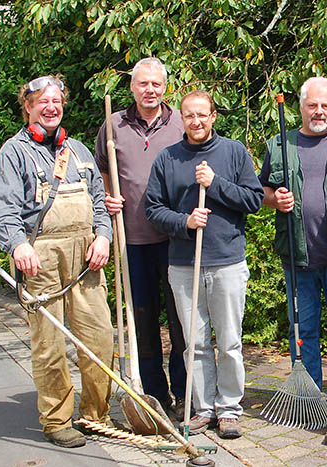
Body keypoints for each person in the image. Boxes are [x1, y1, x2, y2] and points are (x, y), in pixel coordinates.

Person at [0, 75, 113, 448]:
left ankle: (95, 415)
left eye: (56, 101)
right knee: (50, 345)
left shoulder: (79, 151)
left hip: (86, 257)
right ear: (27, 106)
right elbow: (3, 211)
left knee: (99, 338)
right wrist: (16, 246)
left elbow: (100, 200)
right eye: (42, 101)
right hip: (39, 257)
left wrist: (104, 236)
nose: (51, 107)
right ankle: (57, 419)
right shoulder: (13, 153)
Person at [258, 76, 327, 444]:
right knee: (302, 333)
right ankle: (309, 400)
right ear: (300, 107)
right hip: (298, 257)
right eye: (312, 105)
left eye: (325, 105)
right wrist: (275, 199)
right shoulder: (280, 144)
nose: (318, 111)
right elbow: (262, 191)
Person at [145, 90, 264, 439]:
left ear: (213, 116)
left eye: (202, 114)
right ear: (182, 118)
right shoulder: (168, 158)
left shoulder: (233, 152)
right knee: (193, 343)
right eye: (189, 115)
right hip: (184, 264)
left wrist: (215, 184)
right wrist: (185, 222)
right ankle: (203, 408)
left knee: (228, 341)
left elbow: (254, 199)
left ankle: (229, 409)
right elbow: (153, 209)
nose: (195, 121)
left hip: (226, 261)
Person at [94, 57, 187, 419]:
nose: (150, 90)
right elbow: (104, 169)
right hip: (132, 238)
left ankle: (183, 393)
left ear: (165, 87)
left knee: (181, 322)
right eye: (143, 84)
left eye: (156, 84)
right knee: (142, 320)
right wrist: (108, 196)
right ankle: (154, 395)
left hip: (175, 239)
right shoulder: (113, 124)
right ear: (132, 87)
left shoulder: (179, 122)